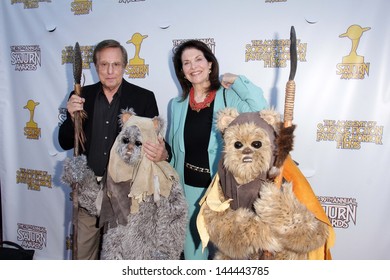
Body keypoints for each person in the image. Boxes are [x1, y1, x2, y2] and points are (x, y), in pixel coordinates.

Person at [58, 39, 170, 260]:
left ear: (124, 66)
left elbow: (159, 146)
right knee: (82, 259)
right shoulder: (82, 96)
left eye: (116, 65)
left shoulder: (143, 98)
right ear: (95, 66)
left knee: (119, 259)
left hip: (125, 197)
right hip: (88, 192)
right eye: (104, 65)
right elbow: (63, 142)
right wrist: (71, 118)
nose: (110, 71)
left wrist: (164, 153)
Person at [168, 39, 268, 260]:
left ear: (210, 64)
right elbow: (174, 151)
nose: (193, 67)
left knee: (228, 257)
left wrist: (237, 80)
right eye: (186, 63)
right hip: (189, 192)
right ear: (182, 72)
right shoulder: (176, 105)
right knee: (195, 259)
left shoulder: (229, 96)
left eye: (198, 60)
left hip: (225, 191)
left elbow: (260, 111)